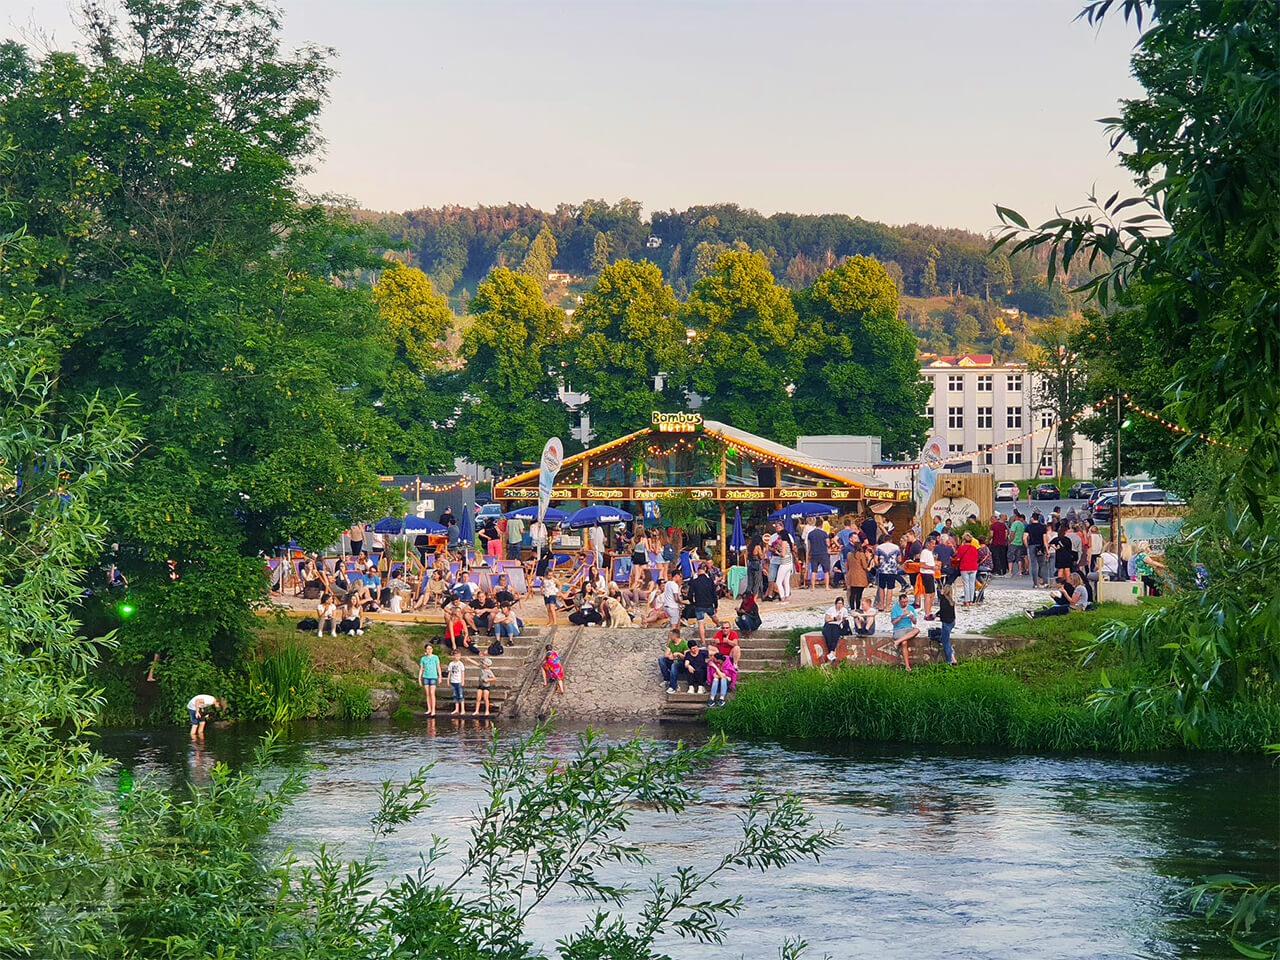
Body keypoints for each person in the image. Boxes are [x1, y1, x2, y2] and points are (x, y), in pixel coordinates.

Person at [689, 563, 722, 645]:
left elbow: (690, 595)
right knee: (713, 616)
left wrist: (693, 603)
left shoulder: (694, 581)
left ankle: (703, 642)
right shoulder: (710, 581)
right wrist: (716, 605)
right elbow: (714, 594)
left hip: (699, 604)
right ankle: (718, 625)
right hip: (709, 603)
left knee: (700, 623)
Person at [889, 592, 918, 672]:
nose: (905, 604)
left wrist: (912, 618)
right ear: (900, 602)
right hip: (899, 629)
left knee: (917, 630)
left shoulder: (911, 608)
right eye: (903, 602)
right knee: (904, 643)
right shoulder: (895, 608)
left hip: (908, 628)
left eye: (906, 602)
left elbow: (915, 622)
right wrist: (901, 616)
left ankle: (897, 641)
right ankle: (907, 665)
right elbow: (894, 622)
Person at [873, 534, 901, 611]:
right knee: (890, 588)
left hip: (882, 570)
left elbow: (875, 559)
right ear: (891, 540)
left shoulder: (879, 548)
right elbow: (899, 559)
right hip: (892, 570)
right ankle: (888, 606)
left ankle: (881, 605)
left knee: (881, 588)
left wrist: (878, 566)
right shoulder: (896, 547)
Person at [820, 596, 852, 664]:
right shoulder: (831, 609)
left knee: (835, 635)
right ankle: (831, 652)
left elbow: (845, 620)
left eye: (841, 604)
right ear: (836, 603)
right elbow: (827, 620)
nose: (839, 605)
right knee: (828, 636)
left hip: (837, 625)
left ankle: (831, 652)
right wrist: (834, 619)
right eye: (838, 603)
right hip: (830, 624)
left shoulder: (844, 610)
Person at [936, 582, 958, 666]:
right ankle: (952, 657)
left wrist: (936, 615)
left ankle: (951, 660)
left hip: (946, 623)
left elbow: (942, 611)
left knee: (946, 642)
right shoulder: (951, 601)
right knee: (945, 639)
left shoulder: (943, 600)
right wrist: (936, 614)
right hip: (952, 622)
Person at [1025, 513, 1050, 587]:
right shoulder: (1042, 527)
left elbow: (1024, 537)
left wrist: (1027, 545)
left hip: (1032, 545)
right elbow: (1045, 540)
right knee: (1042, 565)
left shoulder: (1028, 527)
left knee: (1034, 565)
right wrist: (1047, 550)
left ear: (1032, 518)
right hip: (1040, 546)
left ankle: (1035, 583)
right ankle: (1045, 582)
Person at [954, 534, 979, 606]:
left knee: (966, 584)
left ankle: (967, 600)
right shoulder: (974, 548)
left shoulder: (961, 548)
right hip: (973, 567)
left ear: (964, 540)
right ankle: (971, 600)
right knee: (972, 584)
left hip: (964, 567)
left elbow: (958, 558)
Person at [417, 642, 441, 717]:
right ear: (425, 650)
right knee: (427, 693)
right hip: (426, 677)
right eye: (428, 649)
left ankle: (433, 709)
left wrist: (440, 677)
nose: (429, 650)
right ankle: (429, 709)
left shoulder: (435, 657)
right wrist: (419, 679)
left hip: (433, 676)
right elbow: (421, 669)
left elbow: (438, 667)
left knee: (432, 693)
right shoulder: (423, 659)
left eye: (430, 649)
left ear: (432, 650)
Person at [806, 519, 831, 590]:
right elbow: (828, 543)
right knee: (826, 571)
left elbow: (809, 545)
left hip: (814, 553)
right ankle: (827, 587)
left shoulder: (810, 534)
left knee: (814, 571)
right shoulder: (824, 533)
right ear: (821, 525)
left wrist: (809, 554)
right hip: (823, 553)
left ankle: (813, 587)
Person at [446, 649, 467, 715]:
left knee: (460, 695)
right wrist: (448, 679)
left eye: (459, 656)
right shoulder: (451, 664)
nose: (457, 657)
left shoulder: (460, 664)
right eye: (456, 656)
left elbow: (462, 673)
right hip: (453, 681)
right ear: (453, 656)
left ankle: (463, 709)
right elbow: (449, 672)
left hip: (459, 681)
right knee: (455, 695)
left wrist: (463, 681)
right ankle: (456, 709)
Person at [1008, 512, 1027, 577]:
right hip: (1020, 542)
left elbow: (1013, 533)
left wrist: (1010, 541)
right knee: (1018, 558)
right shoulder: (1022, 524)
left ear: (1016, 517)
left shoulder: (1014, 524)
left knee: (1010, 557)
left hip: (1013, 542)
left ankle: (1010, 572)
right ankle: (1019, 571)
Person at [747, 533, 765, 598]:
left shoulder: (749, 547)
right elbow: (762, 557)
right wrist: (764, 551)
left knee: (750, 583)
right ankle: (754, 597)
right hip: (756, 564)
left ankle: (748, 597)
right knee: (757, 582)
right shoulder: (758, 547)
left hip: (750, 565)